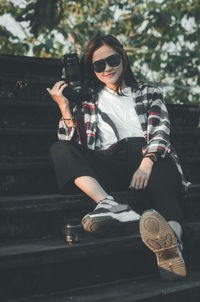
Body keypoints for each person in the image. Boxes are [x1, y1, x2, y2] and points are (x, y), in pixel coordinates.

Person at [47, 34, 190, 281]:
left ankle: (172, 241)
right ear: (92, 70)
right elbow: (72, 144)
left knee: (163, 159)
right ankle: (109, 205)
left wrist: (147, 162)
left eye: (112, 60)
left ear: (123, 58)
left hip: (147, 158)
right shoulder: (88, 102)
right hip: (110, 163)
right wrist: (64, 108)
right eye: (98, 65)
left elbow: (161, 129)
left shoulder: (149, 92)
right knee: (59, 149)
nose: (107, 69)